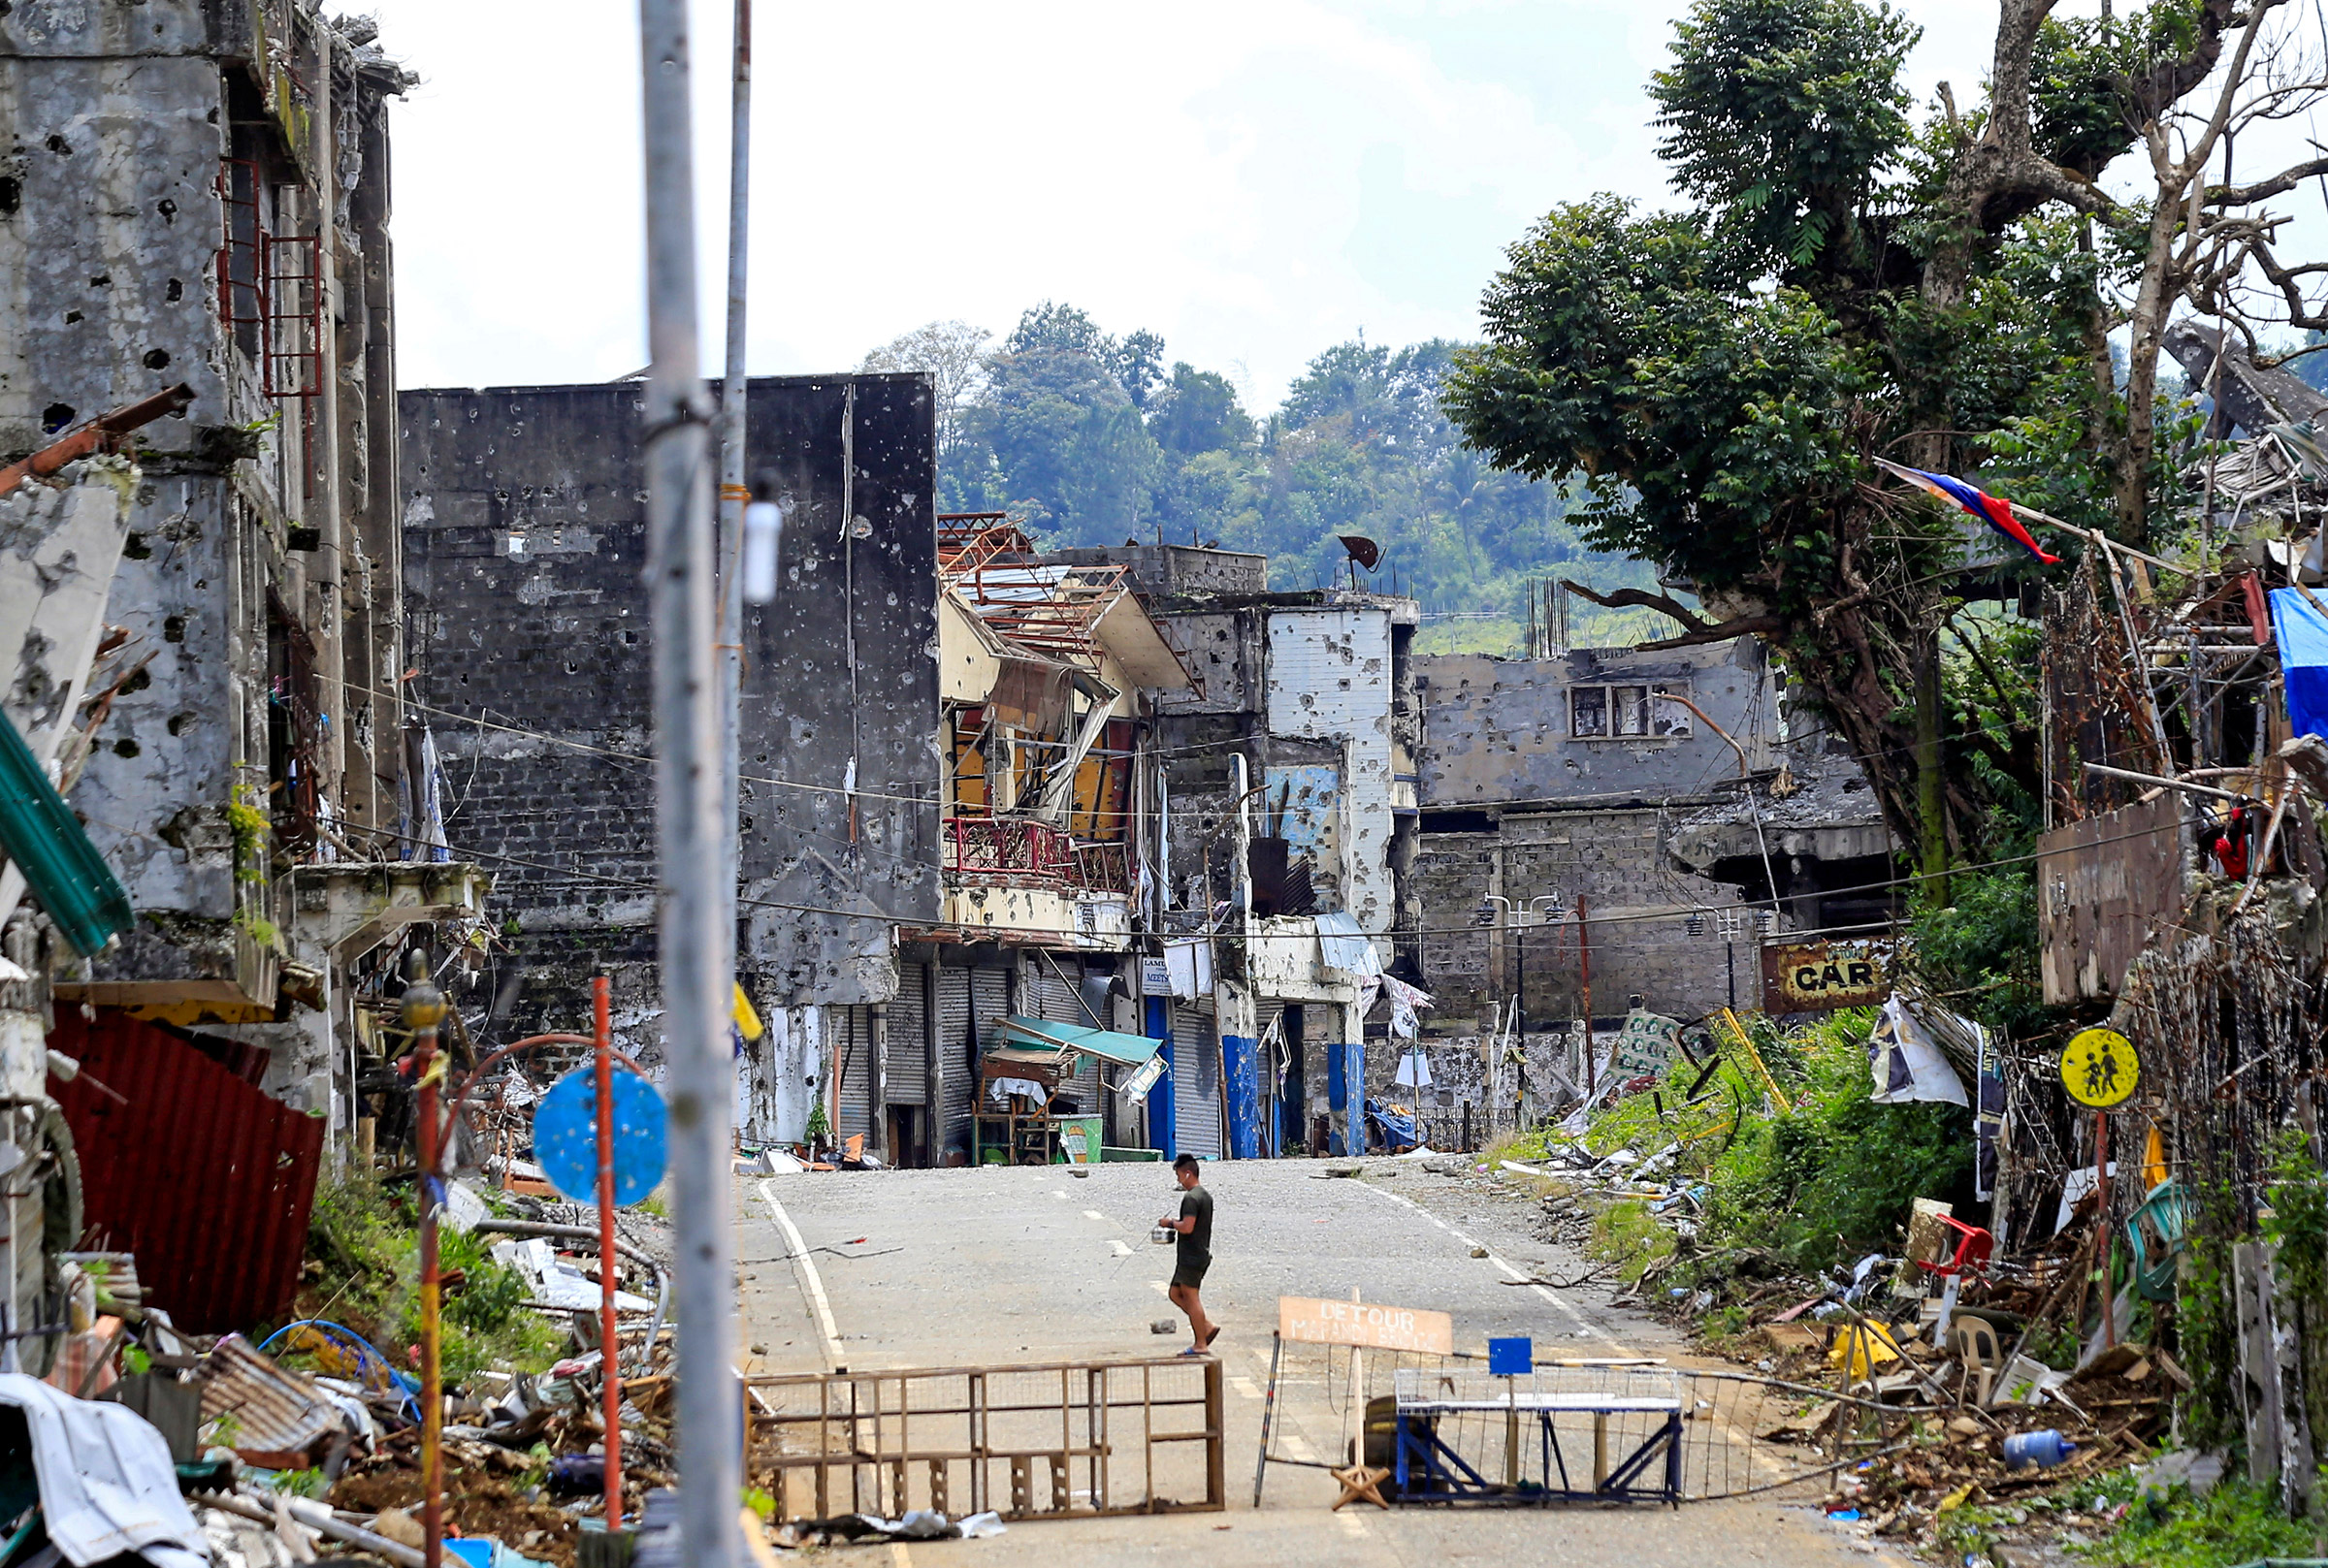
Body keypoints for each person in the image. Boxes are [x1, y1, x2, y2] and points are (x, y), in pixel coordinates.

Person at [1159, 1152, 1217, 1355]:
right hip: (1195, 1254)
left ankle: (1200, 1344)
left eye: (1179, 1176)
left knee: (1192, 1299)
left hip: (1192, 1257)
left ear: (1187, 1174)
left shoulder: (1191, 1198)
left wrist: (1169, 1223)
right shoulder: (1205, 1196)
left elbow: (1187, 1227)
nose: (1178, 1181)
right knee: (1175, 1293)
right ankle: (1206, 1326)